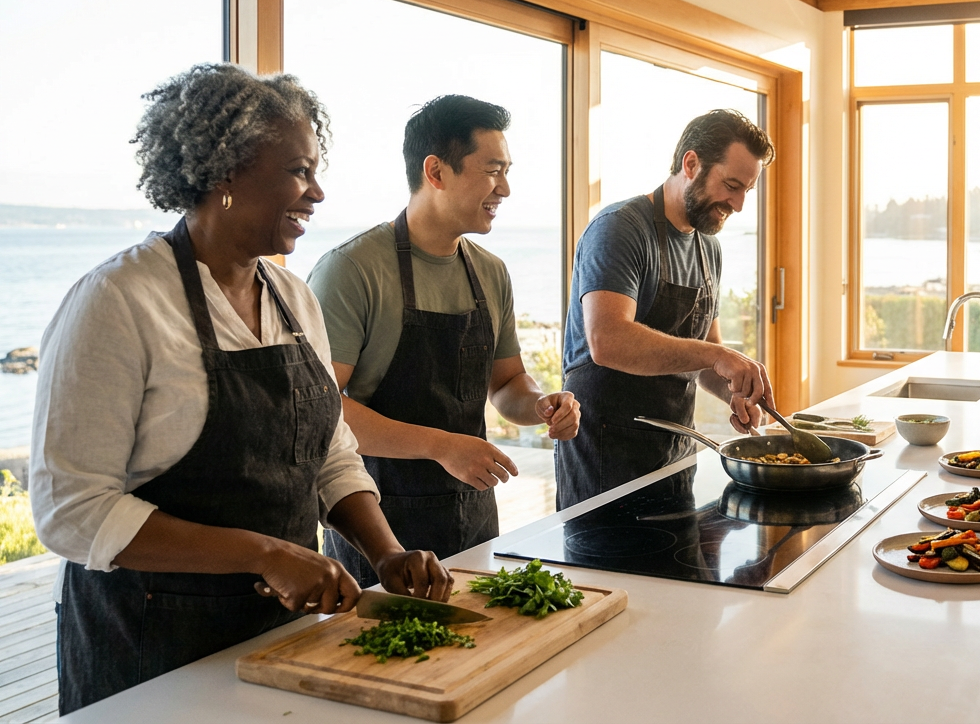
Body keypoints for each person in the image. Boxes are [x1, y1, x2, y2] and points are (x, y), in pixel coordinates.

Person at [29, 64, 452, 714]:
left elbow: (330, 453)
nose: (316, 193)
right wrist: (265, 554)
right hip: (152, 646)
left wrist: (386, 553)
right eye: (297, 171)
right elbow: (70, 509)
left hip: (280, 638)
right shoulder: (119, 301)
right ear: (224, 171)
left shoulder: (292, 297)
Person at [309, 95, 579, 586]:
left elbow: (507, 383)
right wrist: (440, 446)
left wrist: (542, 404)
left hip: (474, 517)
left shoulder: (491, 272)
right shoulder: (352, 270)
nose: (506, 188)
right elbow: (324, 411)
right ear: (436, 171)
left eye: (508, 170)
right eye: (493, 170)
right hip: (379, 528)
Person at [555, 109, 774, 509]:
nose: (739, 204)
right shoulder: (620, 229)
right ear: (691, 164)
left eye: (746, 191)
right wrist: (720, 356)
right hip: (606, 462)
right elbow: (608, 340)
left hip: (675, 455)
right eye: (731, 185)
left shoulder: (709, 249)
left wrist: (735, 392)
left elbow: (706, 359)